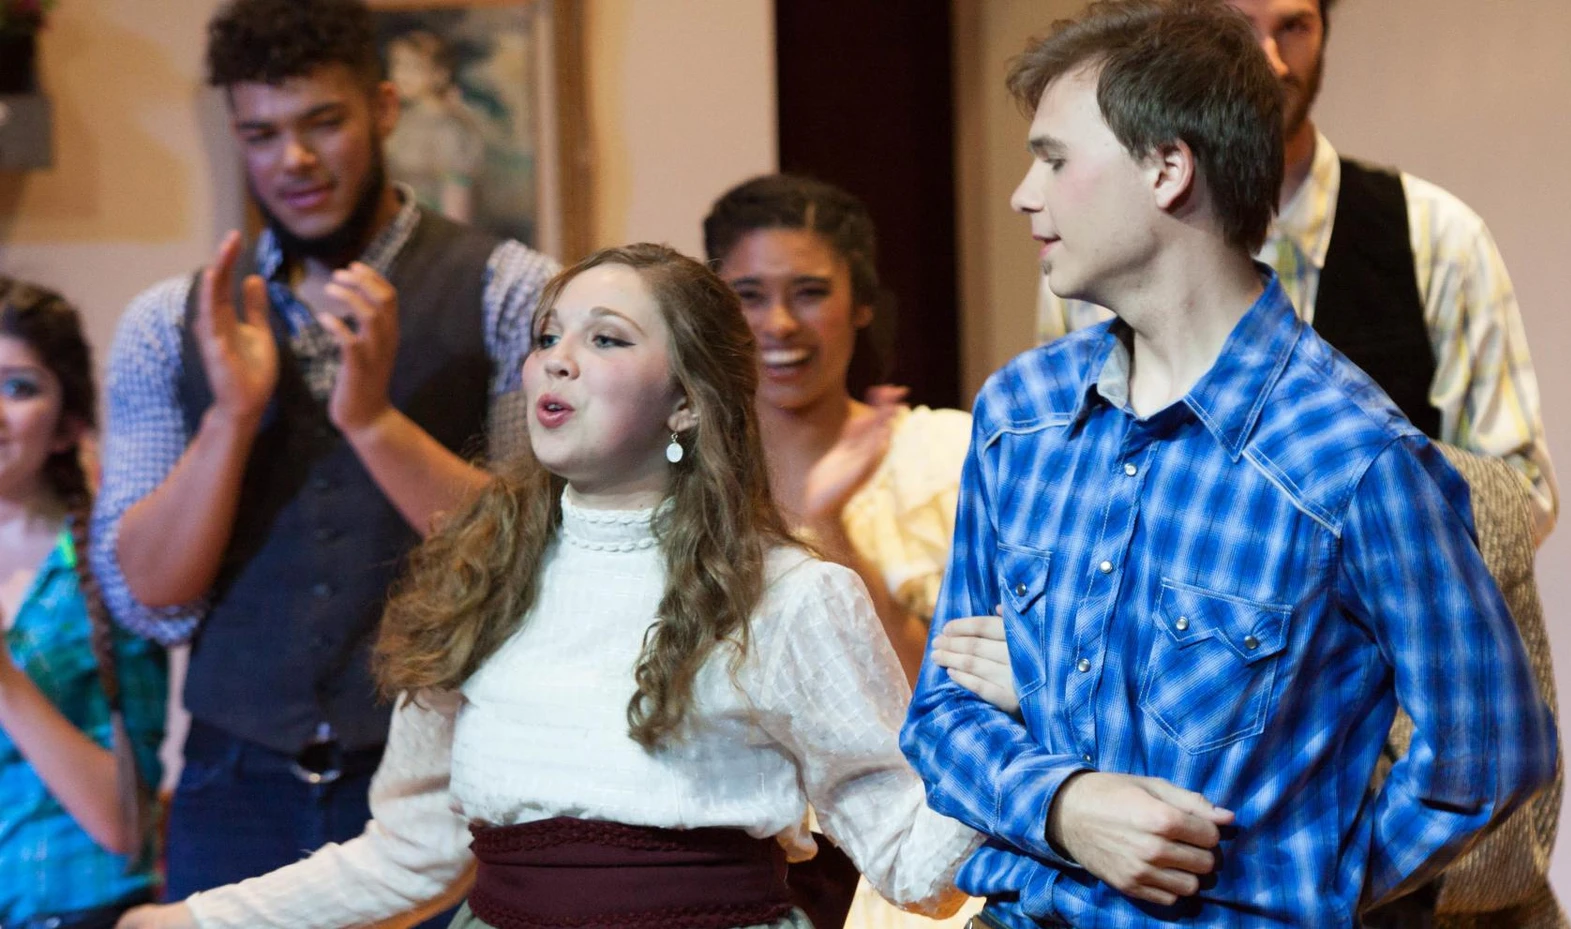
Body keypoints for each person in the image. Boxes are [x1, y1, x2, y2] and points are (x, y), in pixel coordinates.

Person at [900, 2, 1557, 926]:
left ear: (1167, 168)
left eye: (1053, 158)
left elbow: (1489, 750)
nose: (1022, 192)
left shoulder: (1351, 457)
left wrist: (1308, 880)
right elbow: (939, 718)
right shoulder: (1021, 416)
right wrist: (1066, 804)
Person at [114, 243, 981, 929]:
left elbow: (912, 860)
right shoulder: (478, 579)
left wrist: (1035, 726)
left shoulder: (789, 595)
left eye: (605, 338)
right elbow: (414, 853)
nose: (557, 361)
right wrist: (195, 917)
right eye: (546, 337)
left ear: (686, 401)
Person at [91, 0, 555, 908]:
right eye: (260, 134)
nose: (292, 161)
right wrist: (229, 416)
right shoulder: (162, 324)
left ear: (383, 109)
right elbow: (147, 594)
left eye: (323, 123)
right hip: (235, 783)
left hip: (449, 783)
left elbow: (535, 559)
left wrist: (375, 420)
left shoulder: (512, 292)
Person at [1036, 0, 1561, 545]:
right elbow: (1056, 474)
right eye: (1236, 29)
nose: (1269, 62)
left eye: (1293, 27)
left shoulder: (1439, 238)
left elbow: (1521, 499)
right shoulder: (1096, 248)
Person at [705, 175, 980, 929]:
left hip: (914, 864)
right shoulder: (681, 483)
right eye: (749, 295)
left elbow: (940, 696)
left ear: (860, 303)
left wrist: (830, 526)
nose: (780, 322)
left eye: (810, 292)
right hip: (728, 866)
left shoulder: (945, 458)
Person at [0, 278, 167, 928]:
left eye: (19, 387)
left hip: (73, 909)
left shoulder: (107, 563)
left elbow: (124, 825)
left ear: (69, 424)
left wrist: (7, 682)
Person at [385, 30, 487, 224]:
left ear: (440, 74)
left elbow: (456, 198)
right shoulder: (401, 120)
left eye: (413, 67)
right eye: (397, 65)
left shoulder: (450, 130)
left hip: (433, 228)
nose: (401, 75)